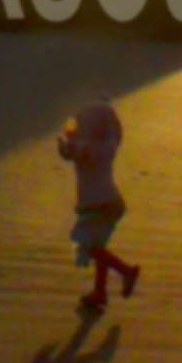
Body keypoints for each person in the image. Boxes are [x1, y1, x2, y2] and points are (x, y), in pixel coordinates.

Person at [58, 97, 141, 314]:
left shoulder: (92, 148)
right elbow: (73, 151)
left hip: (100, 204)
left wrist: (67, 145)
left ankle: (126, 272)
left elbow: (75, 151)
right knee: (98, 247)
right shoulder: (106, 146)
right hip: (107, 203)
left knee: (88, 245)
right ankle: (99, 293)